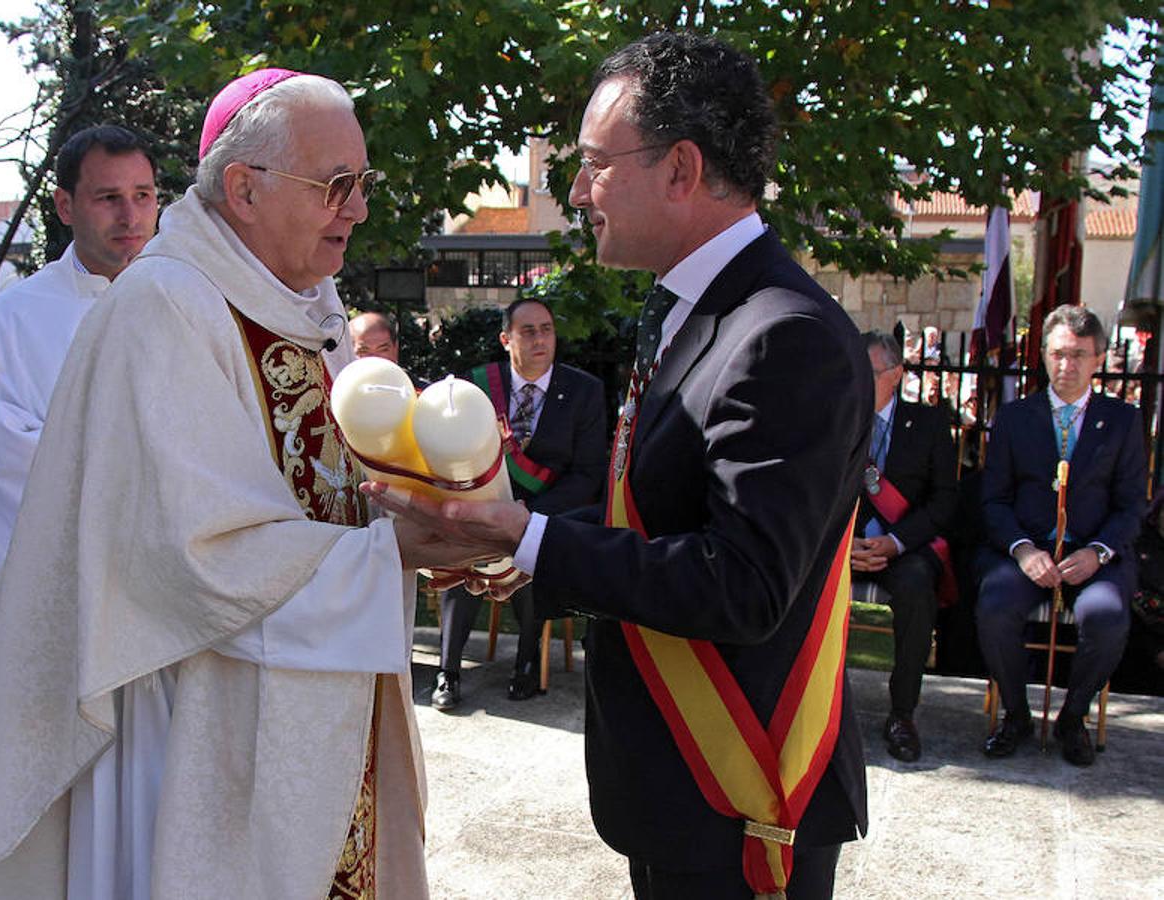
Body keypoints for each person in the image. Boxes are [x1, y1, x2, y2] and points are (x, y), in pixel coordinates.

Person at [367, 32, 872, 899]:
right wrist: (520, 560)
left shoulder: (785, 334)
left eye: (596, 164)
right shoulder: (693, 307)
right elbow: (656, 524)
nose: (576, 191)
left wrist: (529, 538)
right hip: (677, 789)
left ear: (681, 168)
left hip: (742, 792)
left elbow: (741, 584)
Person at [0, 69, 468, 899]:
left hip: (318, 693)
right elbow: (195, 558)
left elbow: (334, 483)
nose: (359, 208)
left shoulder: (306, 301)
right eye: (337, 185)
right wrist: (389, 553)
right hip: (194, 716)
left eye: (362, 182)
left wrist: (430, 511)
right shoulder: (165, 307)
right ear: (243, 187)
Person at [0, 124, 159, 739]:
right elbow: (6, 468)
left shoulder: (193, 309)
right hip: (60, 617)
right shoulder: (6, 326)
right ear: (65, 206)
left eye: (143, 195)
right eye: (108, 197)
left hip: (168, 614)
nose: (130, 214)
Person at [977, 305, 1144, 767]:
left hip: (1093, 558)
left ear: (1097, 359)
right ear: (1044, 356)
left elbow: (1133, 504)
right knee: (993, 607)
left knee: (1107, 616)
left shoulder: (1124, 421)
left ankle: (1073, 717)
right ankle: (1016, 714)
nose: (1066, 366)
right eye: (1057, 355)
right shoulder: (1015, 417)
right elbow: (993, 499)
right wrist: (1023, 549)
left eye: (1077, 356)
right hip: (1027, 553)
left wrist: (1099, 551)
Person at [432, 297, 607, 708]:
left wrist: (529, 515)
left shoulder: (584, 391)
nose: (540, 339)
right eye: (528, 331)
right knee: (463, 552)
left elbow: (588, 475)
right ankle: (448, 671)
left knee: (531, 549)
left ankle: (526, 664)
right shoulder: (476, 388)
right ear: (506, 339)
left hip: (547, 512)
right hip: (484, 507)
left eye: (546, 329)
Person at [853, 331, 958, 762]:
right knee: (800, 578)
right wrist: (844, 546)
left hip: (903, 547)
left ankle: (901, 713)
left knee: (917, 588)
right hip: (848, 545)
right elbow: (815, 493)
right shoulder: (837, 418)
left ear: (895, 374)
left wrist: (895, 543)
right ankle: (814, 702)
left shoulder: (929, 424)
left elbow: (946, 500)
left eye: (870, 372)